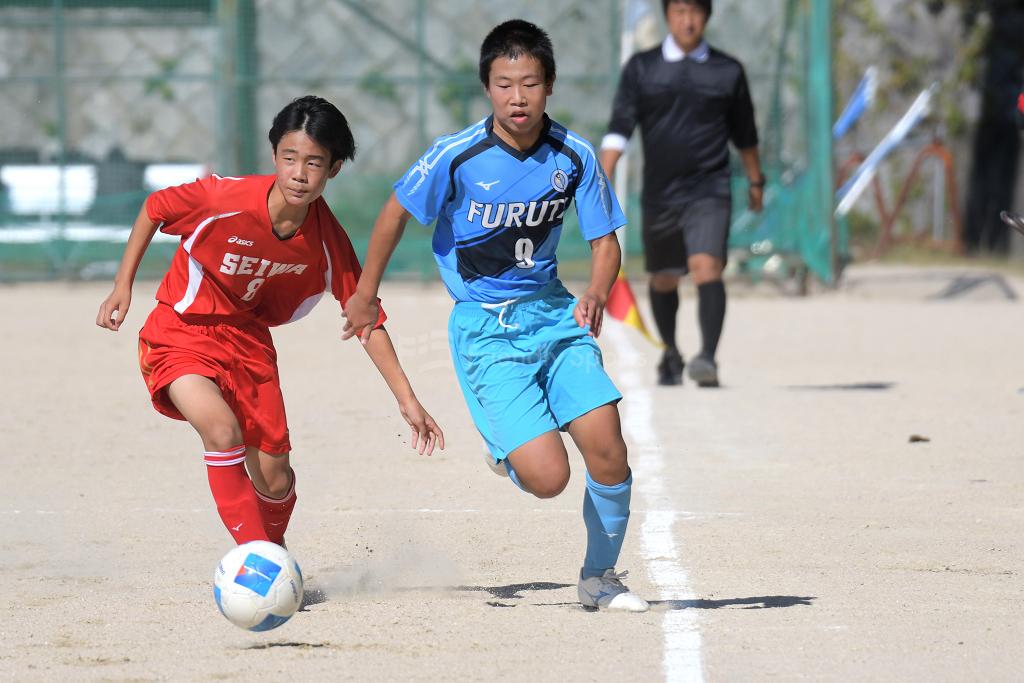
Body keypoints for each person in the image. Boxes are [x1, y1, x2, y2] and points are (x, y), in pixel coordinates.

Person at [342, 20, 648, 612]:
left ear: (549, 86)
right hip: (486, 330)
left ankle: (601, 577)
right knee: (548, 479)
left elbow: (606, 241)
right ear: (487, 87)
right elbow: (394, 212)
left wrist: (597, 291)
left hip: (556, 318)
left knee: (608, 445)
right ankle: (512, 450)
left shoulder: (576, 155)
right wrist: (364, 293)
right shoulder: (457, 156)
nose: (517, 97)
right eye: (504, 84)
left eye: (529, 83)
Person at [96, 95, 444, 549]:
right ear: (274, 155)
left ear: (335, 168)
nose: (299, 174)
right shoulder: (224, 197)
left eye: (315, 162)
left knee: (275, 479)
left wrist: (407, 399)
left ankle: (272, 552)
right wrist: (123, 284)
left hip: (248, 343)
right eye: (290, 158)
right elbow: (154, 208)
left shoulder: (326, 238)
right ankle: (256, 561)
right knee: (221, 432)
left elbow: (366, 317)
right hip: (179, 331)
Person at [600, 0, 764, 387]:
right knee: (664, 277)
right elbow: (620, 126)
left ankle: (707, 357)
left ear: (706, 15)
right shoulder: (642, 68)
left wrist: (756, 181)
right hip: (660, 192)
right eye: (678, 10)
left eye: (694, 11)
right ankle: (671, 351)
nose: (686, 20)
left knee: (707, 267)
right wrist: (602, 177)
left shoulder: (728, 71)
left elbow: (746, 134)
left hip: (710, 187)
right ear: (666, 15)